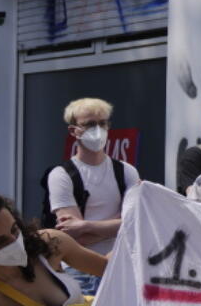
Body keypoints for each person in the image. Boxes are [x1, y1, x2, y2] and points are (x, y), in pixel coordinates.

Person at [46, 98, 141, 295]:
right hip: (79, 269)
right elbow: (73, 236)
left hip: (120, 264)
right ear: (73, 131)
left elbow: (137, 223)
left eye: (103, 123)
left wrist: (86, 225)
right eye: (89, 124)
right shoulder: (61, 175)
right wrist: (118, 223)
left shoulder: (126, 171)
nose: (98, 130)